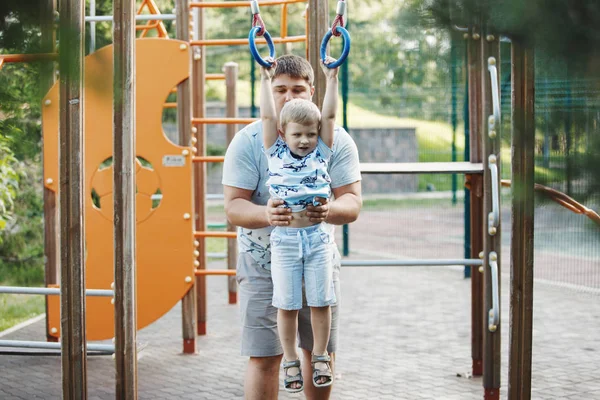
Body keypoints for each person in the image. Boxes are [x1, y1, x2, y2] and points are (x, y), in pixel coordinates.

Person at [222, 54, 362, 400]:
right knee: (265, 356)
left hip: (315, 254)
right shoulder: (251, 142)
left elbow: (353, 202)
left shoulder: (333, 140)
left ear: (312, 91)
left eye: (298, 90)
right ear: (269, 92)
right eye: (280, 89)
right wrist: (267, 214)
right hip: (263, 259)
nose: (290, 97)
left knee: (319, 353)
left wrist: (328, 209)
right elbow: (233, 208)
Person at [259, 55, 339, 393]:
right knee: (287, 304)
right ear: (283, 133)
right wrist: (264, 79)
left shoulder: (322, 151)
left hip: (317, 239)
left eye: (310, 134)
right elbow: (266, 113)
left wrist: (332, 78)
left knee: (321, 301)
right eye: (298, 134)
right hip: (287, 241)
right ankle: (291, 360)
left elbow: (331, 114)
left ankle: (319, 356)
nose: (304, 140)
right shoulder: (274, 151)